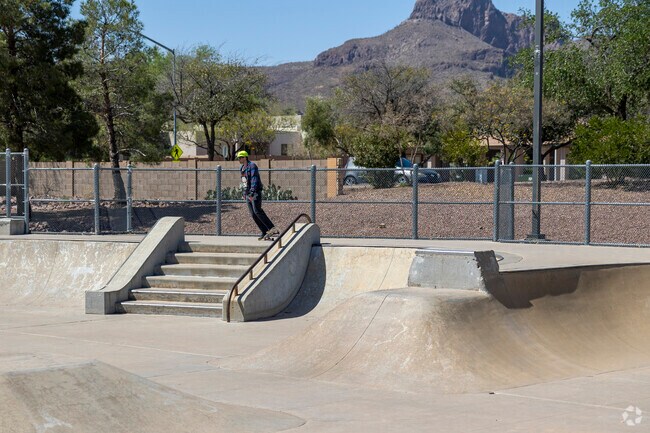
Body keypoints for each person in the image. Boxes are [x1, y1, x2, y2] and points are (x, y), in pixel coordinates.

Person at [237, 150, 279, 240]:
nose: (239, 159)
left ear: (245, 157)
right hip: (248, 194)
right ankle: (264, 231)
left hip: (255, 192)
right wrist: (245, 193)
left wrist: (252, 192)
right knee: (253, 214)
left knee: (257, 211)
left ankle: (272, 228)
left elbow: (254, 179)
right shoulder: (242, 168)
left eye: (240, 158)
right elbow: (244, 181)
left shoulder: (252, 166)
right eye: (238, 158)